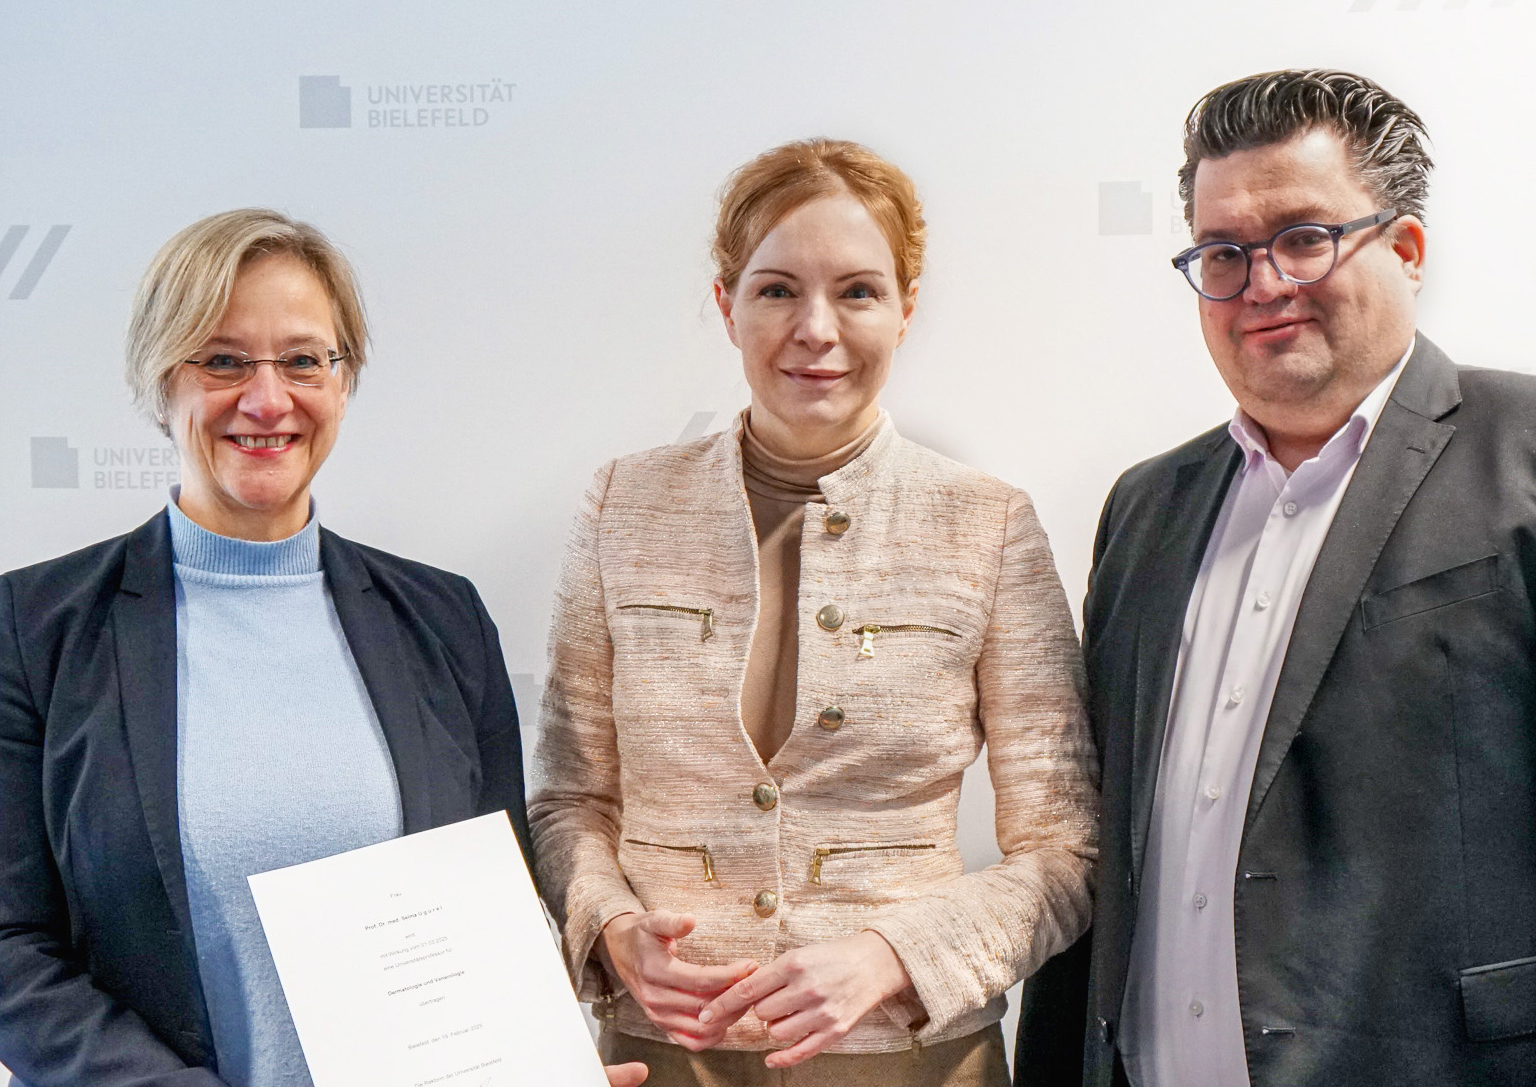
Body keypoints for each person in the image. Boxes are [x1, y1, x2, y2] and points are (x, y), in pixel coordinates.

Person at [0, 209, 646, 1087]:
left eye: (305, 359)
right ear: (163, 380)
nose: (268, 400)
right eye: (222, 359)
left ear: (343, 381)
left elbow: (497, 911)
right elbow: (11, 951)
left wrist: (536, 1066)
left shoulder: (443, 619)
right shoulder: (34, 629)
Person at [529, 138, 1099, 1087]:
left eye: (859, 292)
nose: (816, 329)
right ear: (727, 305)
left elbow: (1068, 846)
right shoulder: (620, 505)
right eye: (778, 289)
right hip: (665, 1056)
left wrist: (893, 953)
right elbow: (569, 800)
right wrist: (615, 931)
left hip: (912, 1057)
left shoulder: (989, 523)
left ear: (907, 309)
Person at [1015, 69, 1536, 1087]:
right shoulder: (1145, 510)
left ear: (1407, 248)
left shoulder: (1522, 454)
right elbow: (1102, 842)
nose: (1260, 283)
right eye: (1222, 253)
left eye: (1303, 237)